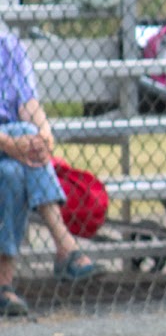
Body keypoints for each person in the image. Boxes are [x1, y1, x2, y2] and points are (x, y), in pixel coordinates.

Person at [0, 28, 104, 317]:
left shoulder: (7, 45)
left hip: (16, 153)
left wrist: (44, 137)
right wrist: (11, 141)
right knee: (22, 135)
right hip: (10, 141)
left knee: (12, 174)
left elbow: (30, 105)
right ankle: (65, 245)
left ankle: (3, 286)